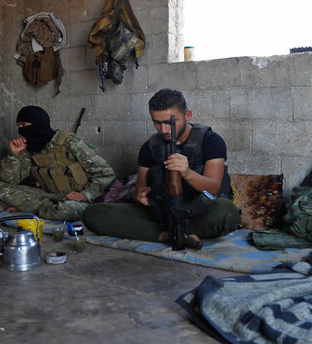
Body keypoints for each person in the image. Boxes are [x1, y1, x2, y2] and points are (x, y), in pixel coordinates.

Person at [83, 89, 241, 248]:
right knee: (94, 213)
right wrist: (139, 195)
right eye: (157, 122)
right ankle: (168, 235)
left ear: (187, 115)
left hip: (198, 212)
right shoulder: (150, 147)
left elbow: (213, 187)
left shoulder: (211, 141)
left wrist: (187, 173)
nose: (164, 129)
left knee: (227, 212)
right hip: (161, 212)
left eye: (169, 122)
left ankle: (166, 231)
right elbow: (141, 188)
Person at [0, 105, 115, 220]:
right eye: (19, 126)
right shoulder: (29, 148)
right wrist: (14, 154)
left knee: (65, 210)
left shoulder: (69, 142)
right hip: (48, 196)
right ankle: (43, 210)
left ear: (38, 124)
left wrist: (85, 195)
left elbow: (105, 173)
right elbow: (11, 180)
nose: (21, 130)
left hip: (78, 199)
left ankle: (35, 209)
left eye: (24, 125)